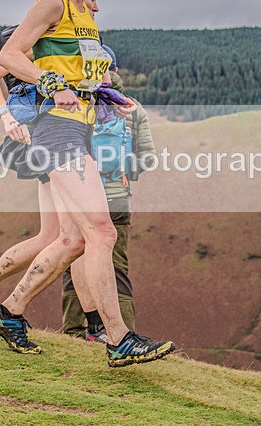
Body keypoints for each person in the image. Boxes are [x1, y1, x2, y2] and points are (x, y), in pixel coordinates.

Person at [0, 0, 175, 367]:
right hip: (56, 133)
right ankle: (117, 338)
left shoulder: (83, 13)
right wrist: (50, 83)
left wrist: (108, 96)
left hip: (80, 129)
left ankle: (9, 312)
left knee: (71, 239)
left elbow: (80, 76)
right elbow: (11, 56)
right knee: (101, 232)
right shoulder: (52, 1)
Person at [0, 0, 101, 327]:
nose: (95, 5)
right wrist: (7, 118)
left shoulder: (74, 34)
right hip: (49, 138)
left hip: (53, 137)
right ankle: (92, 326)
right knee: (74, 234)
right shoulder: (42, 40)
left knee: (51, 237)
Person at [61, 68, 156, 341]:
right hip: (115, 199)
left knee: (74, 262)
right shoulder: (130, 108)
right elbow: (148, 159)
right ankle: (122, 334)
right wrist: (124, 171)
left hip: (80, 196)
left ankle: (74, 332)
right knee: (116, 269)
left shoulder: (78, 102)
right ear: (115, 72)